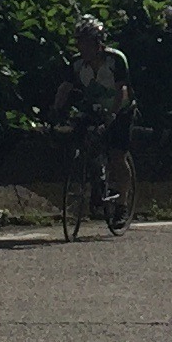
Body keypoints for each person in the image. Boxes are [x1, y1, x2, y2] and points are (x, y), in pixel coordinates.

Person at [50, 14, 134, 231]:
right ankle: (95, 179)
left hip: (120, 109)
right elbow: (65, 88)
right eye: (79, 42)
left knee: (117, 155)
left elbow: (122, 90)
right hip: (94, 107)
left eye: (86, 42)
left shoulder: (116, 59)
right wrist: (57, 110)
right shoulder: (76, 63)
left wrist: (113, 114)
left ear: (98, 43)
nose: (82, 47)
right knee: (83, 139)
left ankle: (122, 204)